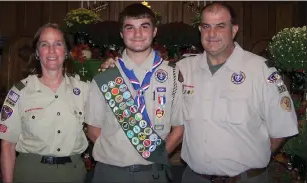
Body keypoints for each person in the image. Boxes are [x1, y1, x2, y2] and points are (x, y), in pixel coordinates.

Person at [100, 2, 299, 183]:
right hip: (194, 177)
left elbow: (281, 128)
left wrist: (253, 162)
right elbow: (144, 73)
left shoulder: (260, 70)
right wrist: (112, 66)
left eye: (220, 26)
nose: (212, 33)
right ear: (200, 29)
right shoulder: (183, 69)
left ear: (234, 30)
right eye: (206, 26)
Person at [84, 3, 184, 183]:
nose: (137, 34)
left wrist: (155, 156)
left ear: (154, 32)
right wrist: (120, 155)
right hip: (111, 173)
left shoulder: (173, 75)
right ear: (122, 34)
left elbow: (179, 128)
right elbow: (93, 130)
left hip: (154, 173)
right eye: (130, 28)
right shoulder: (106, 75)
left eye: (144, 27)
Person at [0, 23, 90, 183]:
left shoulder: (84, 90)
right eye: (44, 44)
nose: (51, 50)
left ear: (66, 51)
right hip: (31, 174)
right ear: (37, 52)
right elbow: (7, 145)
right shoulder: (19, 92)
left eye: (58, 44)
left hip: (72, 174)